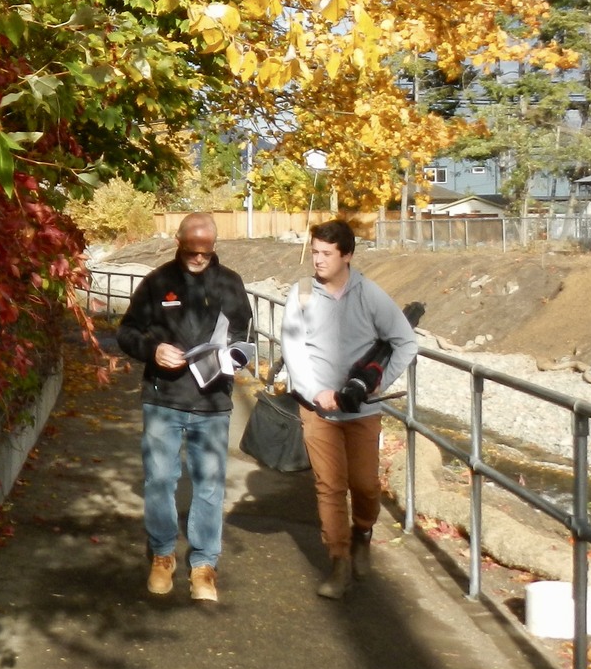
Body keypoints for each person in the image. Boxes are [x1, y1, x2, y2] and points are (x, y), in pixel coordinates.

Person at [115, 213, 256, 603]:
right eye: (192, 250)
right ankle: (162, 555)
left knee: (209, 486)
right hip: (163, 399)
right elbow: (126, 331)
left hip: (213, 402)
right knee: (159, 480)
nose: (198, 258)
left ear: (214, 245)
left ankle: (204, 562)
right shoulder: (157, 281)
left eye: (206, 251)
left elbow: (246, 340)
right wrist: (152, 350)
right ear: (178, 241)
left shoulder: (230, 283)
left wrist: (233, 359)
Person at [279, 218, 419, 601]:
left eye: (327, 253)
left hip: (361, 412)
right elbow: (293, 351)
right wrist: (314, 392)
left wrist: (376, 387)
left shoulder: (370, 295)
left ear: (347, 256)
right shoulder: (302, 294)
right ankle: (338, 561)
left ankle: (364, 532)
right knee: (329, 486)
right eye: (315, 252)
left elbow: (405, 343)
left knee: (365, 485)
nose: (318, 260)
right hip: (318, 410)